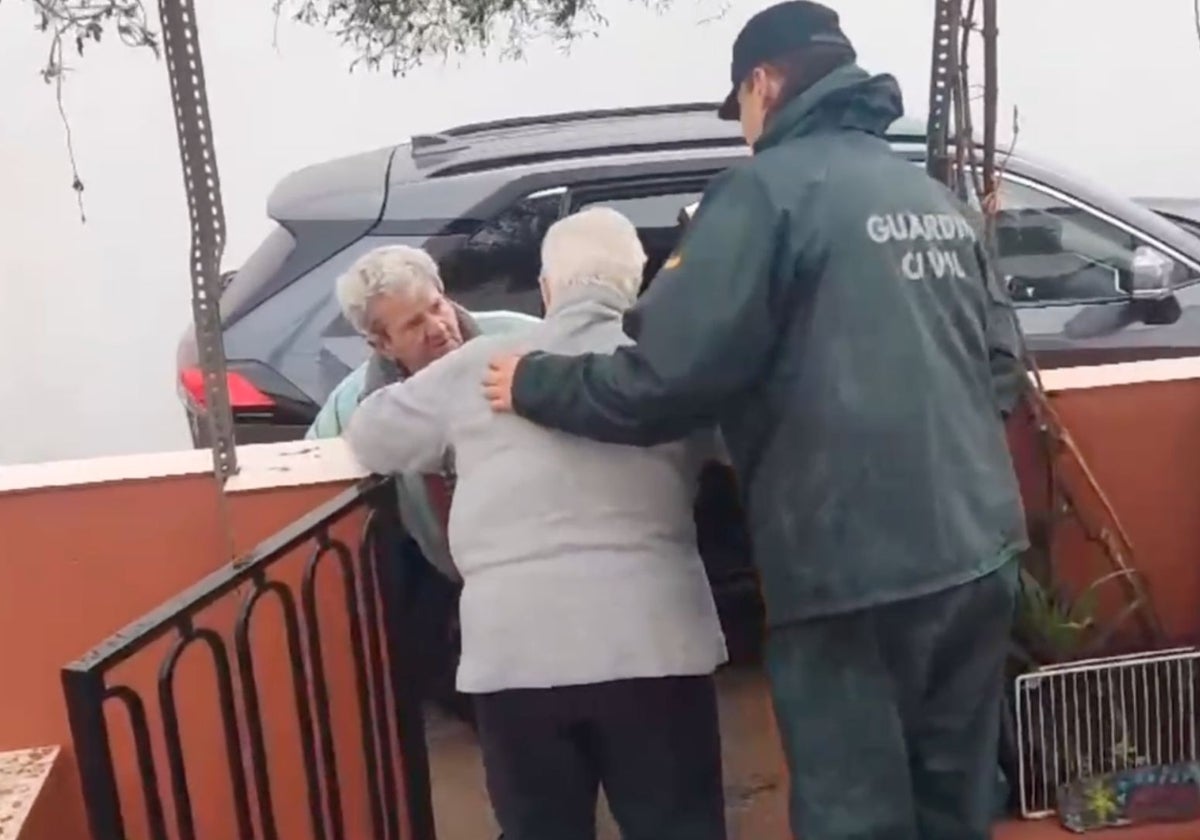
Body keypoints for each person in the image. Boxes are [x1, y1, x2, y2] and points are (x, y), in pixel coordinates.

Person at [481, 3, 1028, 839]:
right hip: (977, 550)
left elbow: (663, 380)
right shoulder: (929, 195)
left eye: (737, 105)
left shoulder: (762, 195)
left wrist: (535, 383)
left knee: (858, 810)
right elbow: (1001, 369)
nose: (741, 127)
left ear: (764, 83)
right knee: (952, 801)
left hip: (852, 568)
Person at [345, 207, 729, 840]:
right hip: (655, 643)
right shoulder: (665, 367)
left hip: (514, 656)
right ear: (632, 285)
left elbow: (371, 436)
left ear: (547, 290)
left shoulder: (484, 363)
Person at [309, 244, 534, 723]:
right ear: (380, 345)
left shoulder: (523, 339)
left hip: (544, 573)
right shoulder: (354, 406)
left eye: (437, 307)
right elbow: (309, 471)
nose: (437, 328)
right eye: (413, 325)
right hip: (457, 583)